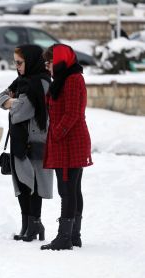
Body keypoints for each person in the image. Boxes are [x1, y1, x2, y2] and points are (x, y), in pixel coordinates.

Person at [0, 45, 54, 243]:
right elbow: (1, 97)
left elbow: (21, 111)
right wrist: (12, 101)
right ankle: (27, 224)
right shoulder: (21, 80)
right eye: (15, 62)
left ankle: (35, 223)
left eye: (19, 62)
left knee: (34, 182)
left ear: (30, 61)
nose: (17, 66)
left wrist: (11, 103)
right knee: (21, 182)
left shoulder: (42, 82)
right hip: (20, 139)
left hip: (36, 139)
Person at [40, 44, 93, 251]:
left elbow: (73, 113)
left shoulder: (72, 80)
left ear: (60, 61)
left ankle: (65, 237)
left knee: (68, 190)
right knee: (72, 189)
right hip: (67, 141)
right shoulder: (63, 79)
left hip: (70, 142)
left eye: (49, 62)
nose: (47, 67)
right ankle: (73, 235)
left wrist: (56, 134)